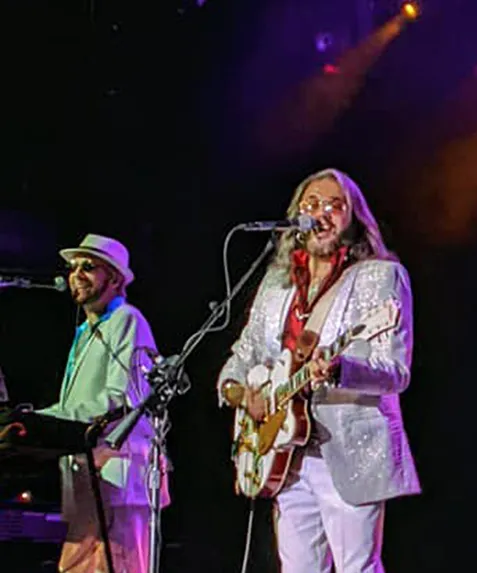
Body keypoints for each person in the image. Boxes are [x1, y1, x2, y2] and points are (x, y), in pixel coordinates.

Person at [217, 168, 420, 573]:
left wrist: (342, 369)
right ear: (295, 216)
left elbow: (396, 371)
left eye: (335, 205)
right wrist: (243, 394)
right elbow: (240, 357)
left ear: (354, 218)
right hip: (286, 455)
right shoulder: (276, 286)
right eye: (311, 204)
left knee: (356, 567)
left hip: (349, 448)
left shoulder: (379, 277)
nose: (321, 213)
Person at [37, 233, 169, 573]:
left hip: (119, 476)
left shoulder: (126, 319)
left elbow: (122, 399)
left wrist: (46, 421)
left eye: (87, 267)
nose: (75, 275)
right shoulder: (86, 330)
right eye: (72, 267)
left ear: (114, 279)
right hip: (89, 476)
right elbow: (81, 402)